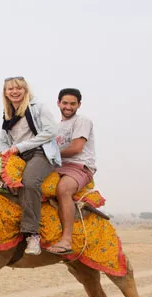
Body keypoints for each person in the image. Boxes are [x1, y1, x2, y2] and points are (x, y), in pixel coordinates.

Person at [0, 76, 62, 255]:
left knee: (29, 182)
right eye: (10, 89)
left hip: (41, 153)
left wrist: (19, 147)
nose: (14, 92)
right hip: (19, 155)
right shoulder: (8, 113)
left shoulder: (37, 107)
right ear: (5, 92)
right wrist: (4, 153)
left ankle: (32, 234)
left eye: (18, 88)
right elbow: (3, 140)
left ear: (25, 90)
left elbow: (51, 131)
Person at [47, 88, 97, 255]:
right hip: (59, 166)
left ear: (79, 105)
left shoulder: (82, 121)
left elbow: (76, 147)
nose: (68, 107)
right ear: (58, 103)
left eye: (72, 104)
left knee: (63, 189)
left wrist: (49, 153)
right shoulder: (55, 127)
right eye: (65, 103)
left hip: (79, 166)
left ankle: (67, 239)